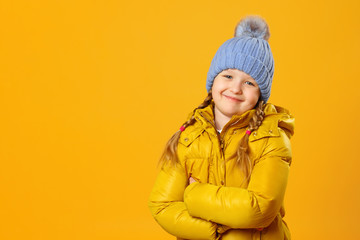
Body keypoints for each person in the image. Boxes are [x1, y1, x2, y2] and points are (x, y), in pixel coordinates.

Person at [148, 15, 294, 240]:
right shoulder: (189, 137)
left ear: (260, 95)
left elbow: (260, 208)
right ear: (213, 81)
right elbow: (162, 206)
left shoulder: (271, 137)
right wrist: (214, 232)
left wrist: (194, 194)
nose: (235, 88)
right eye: (228, 76)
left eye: (249, 82)